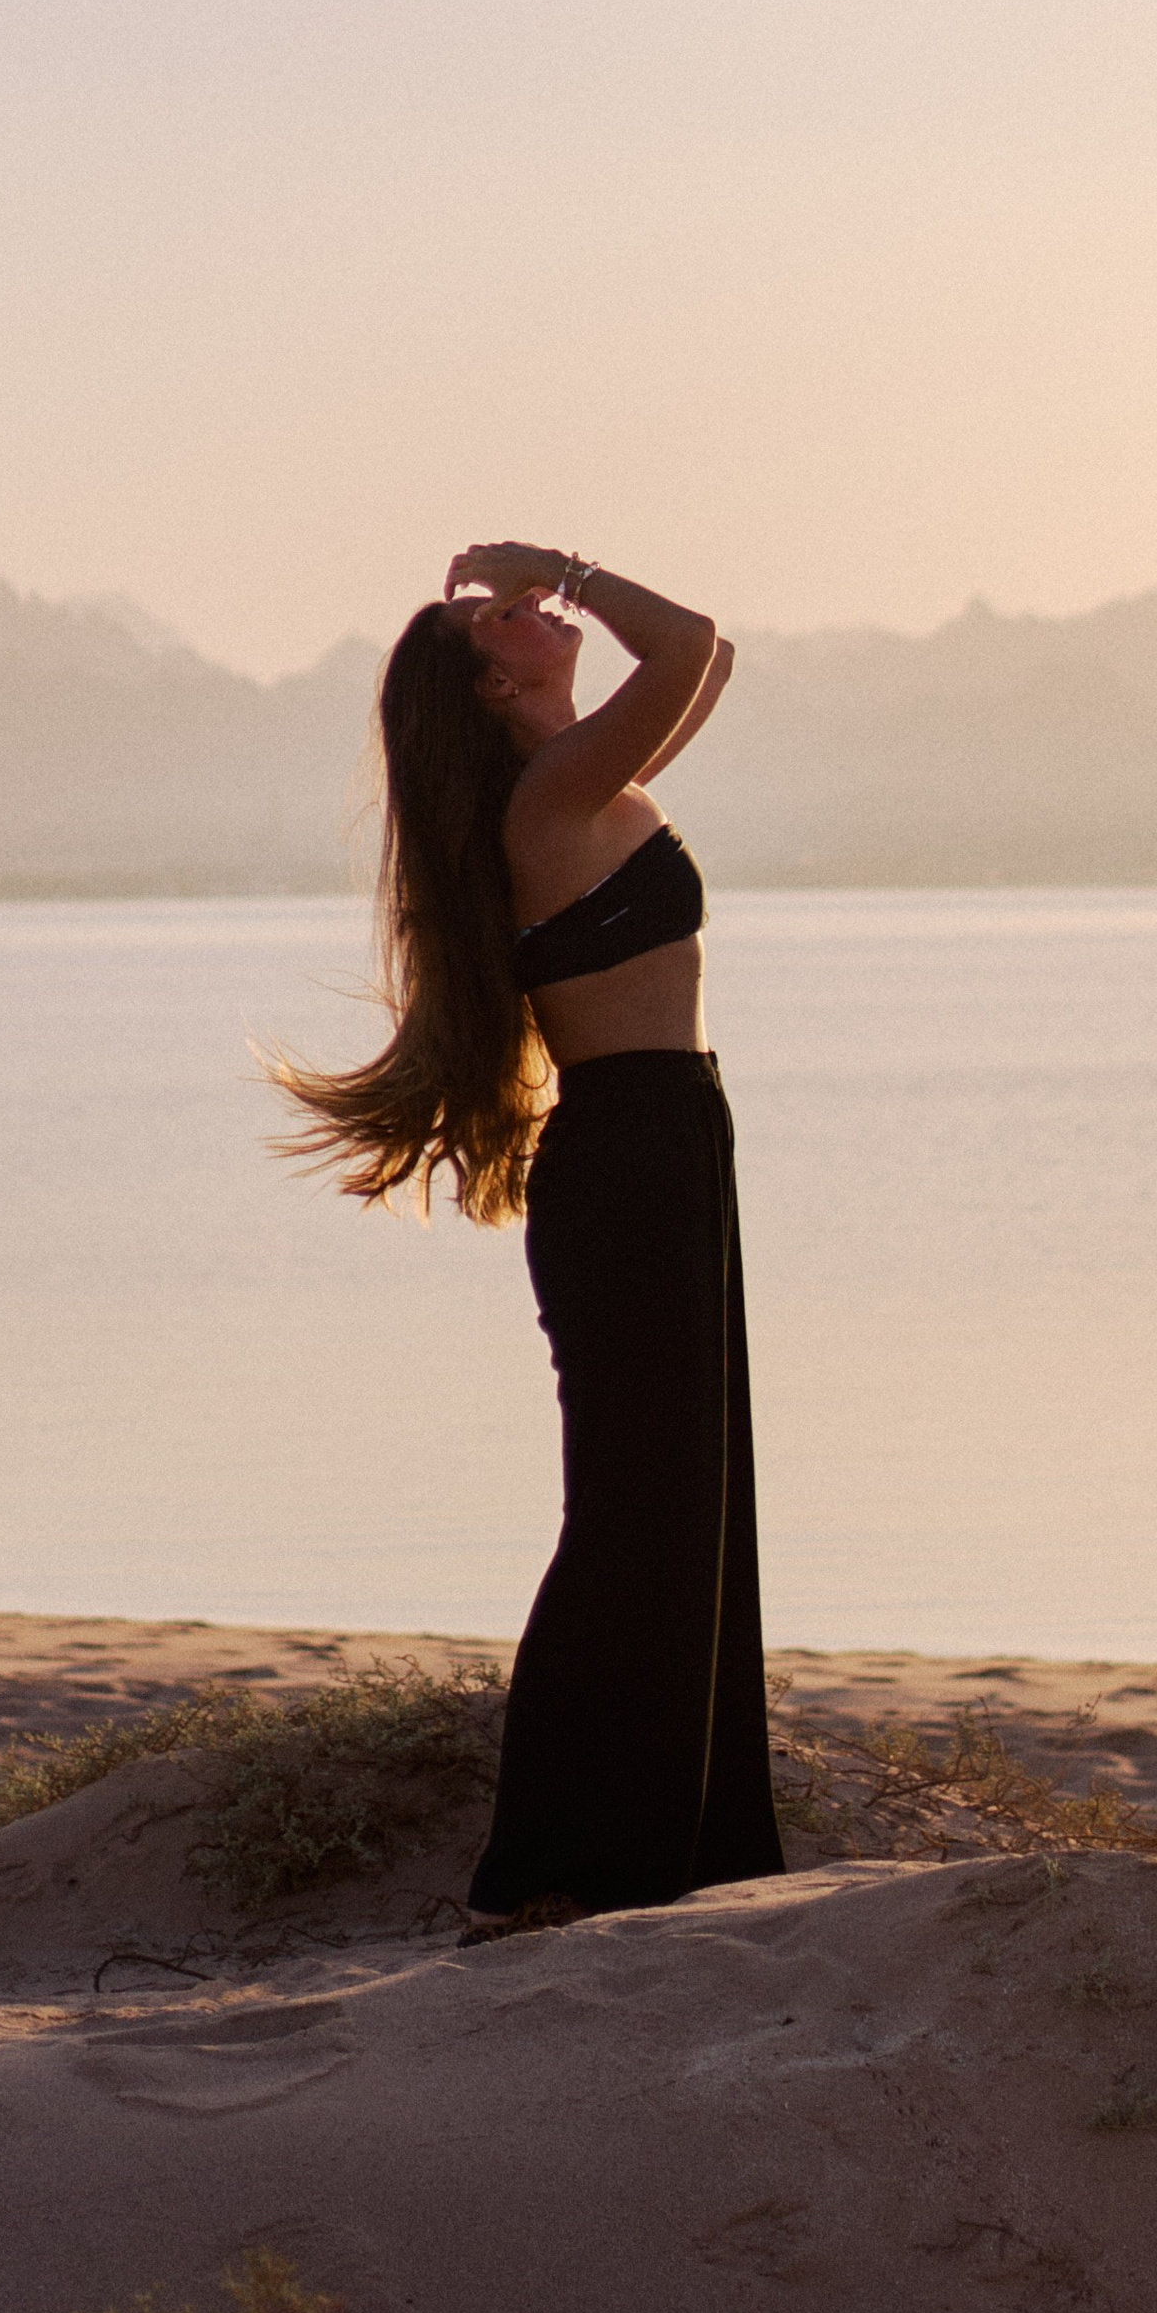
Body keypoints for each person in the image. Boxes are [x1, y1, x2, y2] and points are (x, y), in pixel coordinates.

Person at [270, 543, 784, 1937]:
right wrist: (563, 564)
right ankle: (553, 1864)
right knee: (634, 1511)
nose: (538, 614)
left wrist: (540, 590)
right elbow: (687, 643)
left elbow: (712, 661)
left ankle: (678, 1838)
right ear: (495, 686)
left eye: (522, 604)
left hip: (667, 1143)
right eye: (505, 620)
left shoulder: (584, 779)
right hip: (632, 1153)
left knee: (684, 1499)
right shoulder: (552, 797)